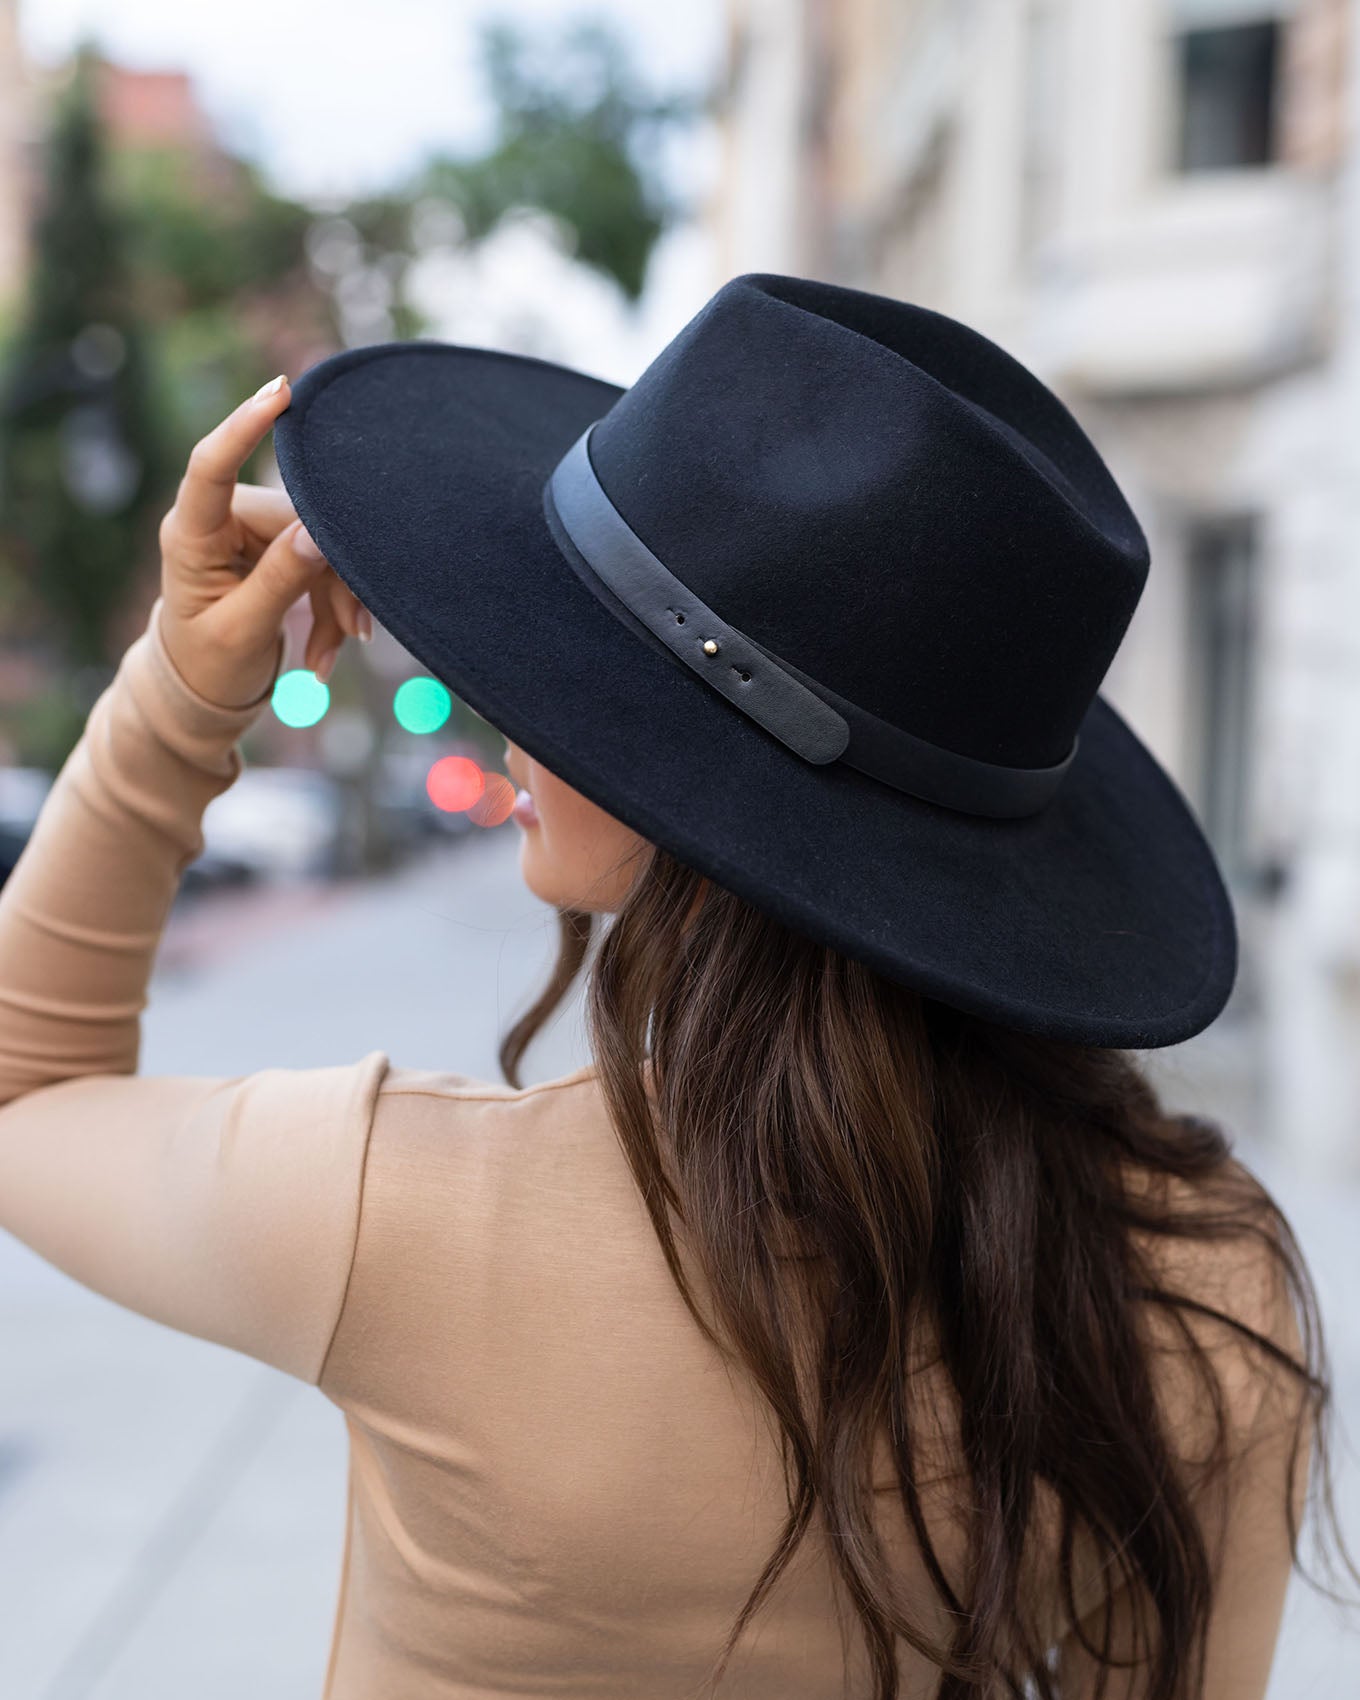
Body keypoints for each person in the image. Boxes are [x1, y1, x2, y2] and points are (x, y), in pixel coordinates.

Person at [0, 273, 1349, 1700]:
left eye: (570, 665)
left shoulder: (395, 1212)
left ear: (688, 778)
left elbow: (24, 1093)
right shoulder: (1214, 1286)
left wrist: (178, 700)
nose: (507, 706)